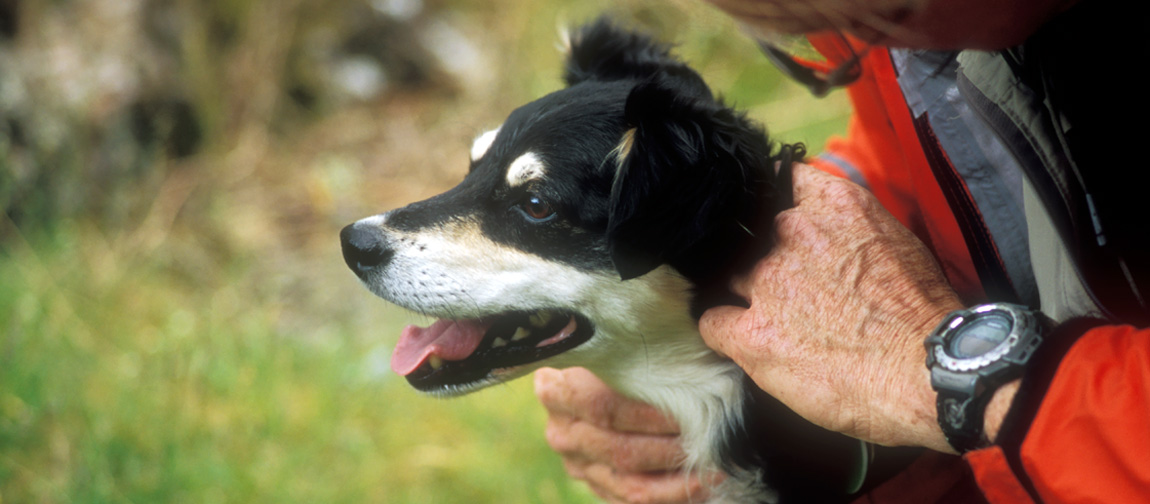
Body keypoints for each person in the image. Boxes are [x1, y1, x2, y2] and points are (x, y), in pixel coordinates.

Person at [534, 0, 1150, 502]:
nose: (827, 34)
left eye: (882, 14)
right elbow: (920, 165)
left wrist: (953, 375)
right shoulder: (915, 35)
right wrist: (757, 268)